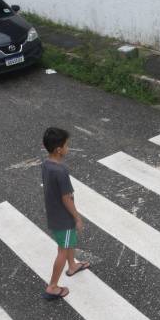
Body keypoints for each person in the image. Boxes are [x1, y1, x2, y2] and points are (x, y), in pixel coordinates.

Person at [41, 127, 90, 300]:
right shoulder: (61, 171)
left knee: (69, 243)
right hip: (64, 219)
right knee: (62, 249)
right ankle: (52, 286)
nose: (68, 148)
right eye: (67, 145)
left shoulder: (46, 164)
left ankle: (72, 265)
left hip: (54, 214)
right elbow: (67, 198)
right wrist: (77, 217)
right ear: (59, 150)